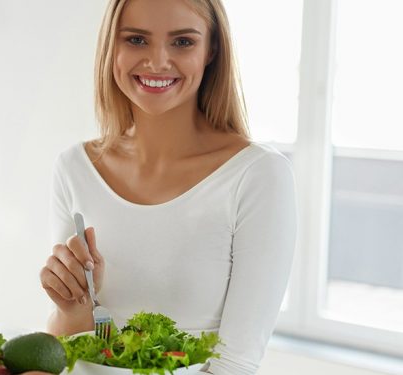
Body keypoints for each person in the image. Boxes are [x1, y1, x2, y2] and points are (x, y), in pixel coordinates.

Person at [39, 0, 297, 374]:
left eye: (182, 42)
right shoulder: (75, 167)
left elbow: (235, 364)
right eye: (137, 40)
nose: (157, 61)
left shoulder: (257, 176)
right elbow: (66, 347)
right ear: (112, 47)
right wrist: (71, 308)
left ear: (211, 51)